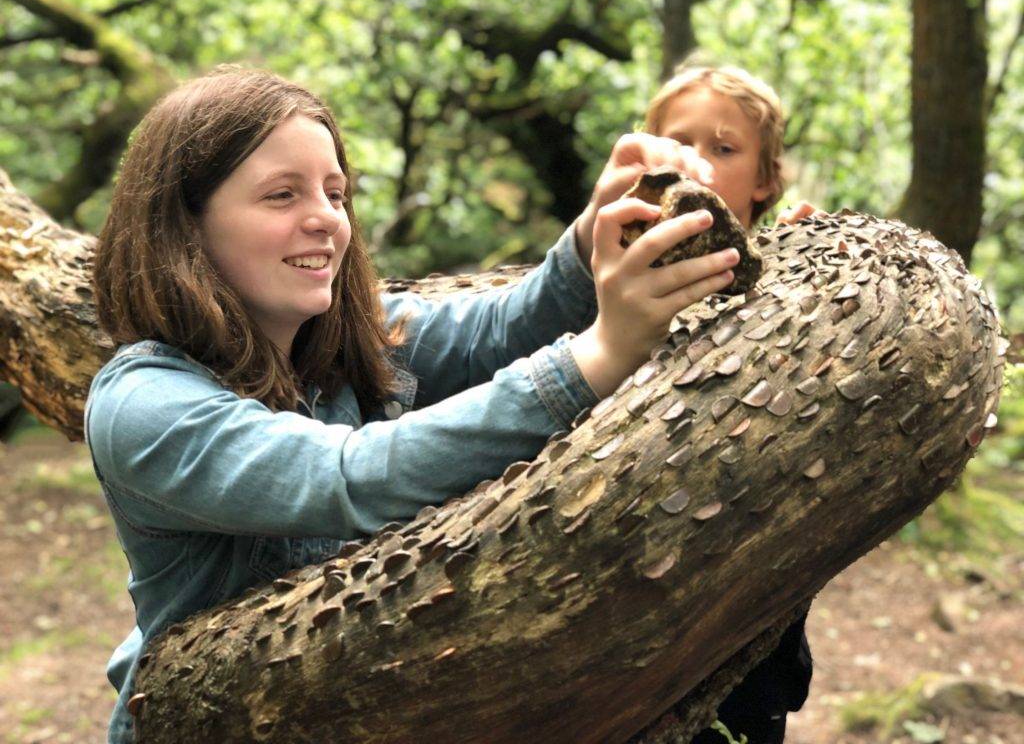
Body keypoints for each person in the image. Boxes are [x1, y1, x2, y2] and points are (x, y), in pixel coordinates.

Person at [85, 66, 740, 743]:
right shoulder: (143, 404)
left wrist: (594, 229)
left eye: (335, 193)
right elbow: (347, 476)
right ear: (184, 226)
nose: (325, 219)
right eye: (282, 195)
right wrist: (600, 355)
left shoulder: (344, 341)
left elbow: (497, 332)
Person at [644, 63, 819, 743]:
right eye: (680, 143)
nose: (699, 163)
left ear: (767, 178)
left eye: (724, 148)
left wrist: (812, 266)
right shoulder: (611, 280)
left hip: (750, 641)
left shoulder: (791, 274)